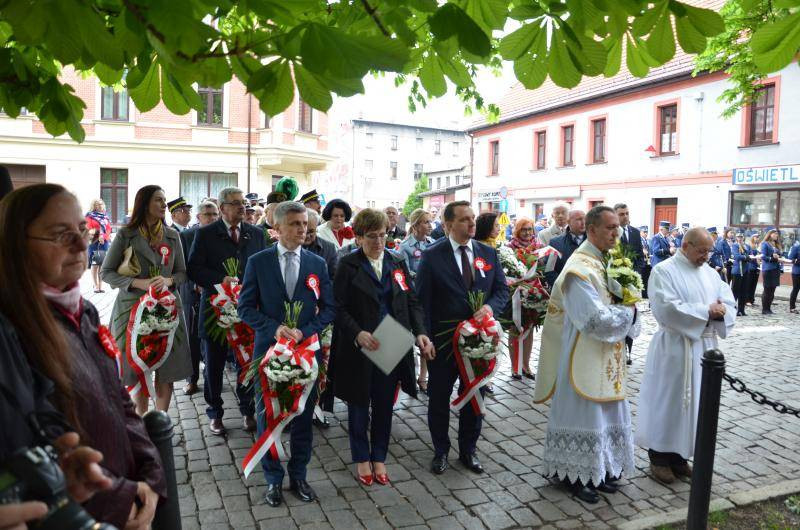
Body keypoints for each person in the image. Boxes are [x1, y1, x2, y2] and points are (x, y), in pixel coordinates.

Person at [0, 184, 166, 528]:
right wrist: (122, 498)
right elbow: (35, 443)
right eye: (61, 235)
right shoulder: (12, 330)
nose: (81, 245)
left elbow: (118, 398)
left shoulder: (85, 311)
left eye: (80, 230)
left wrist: (151, 474)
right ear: (16, 243)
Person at [534, 206, 640, 503]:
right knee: (584, 414)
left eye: (617, 228)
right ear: (591, 230)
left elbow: (619, 306)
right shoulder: (578, 269)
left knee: (605, 414)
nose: (616, 233)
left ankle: (601, 469)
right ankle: (573, 476)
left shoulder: (608, 261)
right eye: (610, 228)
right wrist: (628, 311)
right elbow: (593, 319)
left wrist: (629, 305)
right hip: (583, 353)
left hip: (607, 353)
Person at [238, 201, 336, 507]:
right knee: (268, 415)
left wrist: (306, 331)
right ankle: (272, 480)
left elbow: (330, 307)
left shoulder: (316, 264)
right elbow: (244, 307)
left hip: (306, 354)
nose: (302, 229)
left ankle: (299, 476)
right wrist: (274, 328)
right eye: (295, 224)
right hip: (268, 352)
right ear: (277, 228)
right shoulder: (258, 261)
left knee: (303, 416)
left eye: (304, 223)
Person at [331, 208, 433, 485]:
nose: (379, 242)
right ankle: (361, 458)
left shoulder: (397, 262)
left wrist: (421, 333)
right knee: (359, 405)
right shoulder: (348, 265)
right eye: (372, 237)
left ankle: (379, 456)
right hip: (360, 347)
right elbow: (336, 308)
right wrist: (356, 332)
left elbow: (411, 302)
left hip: (392, 343)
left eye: (383, 235)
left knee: (385, 404)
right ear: (359, 237)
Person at [415, 201, 509, 476]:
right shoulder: (433, 256)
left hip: (478, 342)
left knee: (475, 396)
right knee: (438, 397)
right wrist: (425, 339)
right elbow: (422, 301)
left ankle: (469, 449)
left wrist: (490, 308)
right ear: (448, 224)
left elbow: (501, 290)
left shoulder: (487, 254)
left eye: (473, 219)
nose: (471, 224)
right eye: (465, 220)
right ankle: (440, 450)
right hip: (444, 343)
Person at [636, 227, 735, 484]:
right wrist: (707, 311)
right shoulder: (664, 271)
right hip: (675, 346)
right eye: (701, 251)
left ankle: (680, 457)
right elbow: (666, 308)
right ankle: (658, 457)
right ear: (686, 245)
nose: (706, 256)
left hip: (705, 347)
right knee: (670, 401)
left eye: (709, 251)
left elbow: (728, 300)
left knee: (695, 405)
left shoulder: (711, 274)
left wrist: (722, 309)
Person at [101, 185, 191, 415]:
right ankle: (141, 423)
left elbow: (182, 273)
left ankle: (161, 422)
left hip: (167, 310)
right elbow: (107, 272)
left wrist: (168, 281)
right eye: (158, 200)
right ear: (144, 204)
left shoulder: (172, 236)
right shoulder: (125, 235)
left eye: (164, 200)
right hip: (132, 311)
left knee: (166, 369)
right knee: (136, 368)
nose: (164, 205)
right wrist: (137, 283)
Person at [186, 187, 265, 436]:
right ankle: (215, 412)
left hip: (248, 309)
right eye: (236, 203)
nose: (243, 207)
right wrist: (222, 281)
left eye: (244, 203)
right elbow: (194, 269)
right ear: (222, 208)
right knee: (214, 363)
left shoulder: (256, 234)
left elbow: (263, 266)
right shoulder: (206, 233)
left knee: (246, 361)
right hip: (215, 309)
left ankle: (247, 409)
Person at [303, 207, 339, 428]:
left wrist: (320, 304)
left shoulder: (328, 249)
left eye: (313, 232)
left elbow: (334, 280)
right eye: (306, 230)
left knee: (321, 365)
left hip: (321, 318)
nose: (308, 235)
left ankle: (316, 406)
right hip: (296, 319)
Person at [180, 200, 219, 395]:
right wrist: (195, 284)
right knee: (192, 340)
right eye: (208, 214)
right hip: (192, 295)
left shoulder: (222, 237)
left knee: (211, 342)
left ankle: (211, 378)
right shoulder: (186, 236)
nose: (211, 218)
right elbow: (182, 268)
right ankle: (191, 379)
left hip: (216, 297)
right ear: (198, 217)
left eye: (215, 214)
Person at [614, 204, 645, 362]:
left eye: (627, 213)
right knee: (620, 316)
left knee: (632, 316)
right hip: (616, 281)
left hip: (632, 282)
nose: (625, 217)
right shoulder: (612, 233)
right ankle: (618, 348)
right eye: (621, 214)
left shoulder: (635, 232)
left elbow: (640, 256)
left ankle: (629, 351)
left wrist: (635, 274)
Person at [545, 209, 585, 288]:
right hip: (564, 291)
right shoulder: (555, 243)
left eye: (585, 219)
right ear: (569, 222)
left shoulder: (594, 242)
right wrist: (562, 287)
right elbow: (549, 270)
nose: (583, 222)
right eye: (579, 219)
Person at [85, 198, 112, 293]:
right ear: (94, 206)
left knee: (101, 264)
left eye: (101, 204)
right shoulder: (89, 216)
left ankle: (100, 285)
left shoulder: (105, 217)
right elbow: (88, 228)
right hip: (94, 242)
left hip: (103, 242)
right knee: (95, 264)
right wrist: (98, 235)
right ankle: (95, 285)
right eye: (97, 204)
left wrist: (103, 236)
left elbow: (109, 229)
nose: (99, 205)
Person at [759, 229, 783, 315]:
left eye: (777, 234)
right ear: (770, 234)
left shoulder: (776, 244)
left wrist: (779, 256)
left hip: (776, 269)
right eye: (775, 234)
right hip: (768, 269)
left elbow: (780, 255)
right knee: (767, 289)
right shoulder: (765, 244)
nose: (777, 235)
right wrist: (773, 258)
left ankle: (769, 308)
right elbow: (763, 256)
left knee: (773, 289)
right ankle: (764, 309)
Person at [731, 232, 750, 316]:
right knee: (735, 291)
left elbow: (750, 254)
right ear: (736, 238)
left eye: (741, 237)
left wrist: (747, 257)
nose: (740, 238)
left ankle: (741, 310)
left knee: (744, 291)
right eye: (738, 237)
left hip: (745, 270)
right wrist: (746, 257)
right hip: (738, 271)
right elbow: (737, 256)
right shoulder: (735, 245)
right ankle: (731, 309)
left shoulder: (746, 246)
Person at [789, 237, 800, 314]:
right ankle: (792, 307)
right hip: (797, 272)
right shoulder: (796, 247)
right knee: (796, 289)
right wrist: (796, 261)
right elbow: (790, 258)